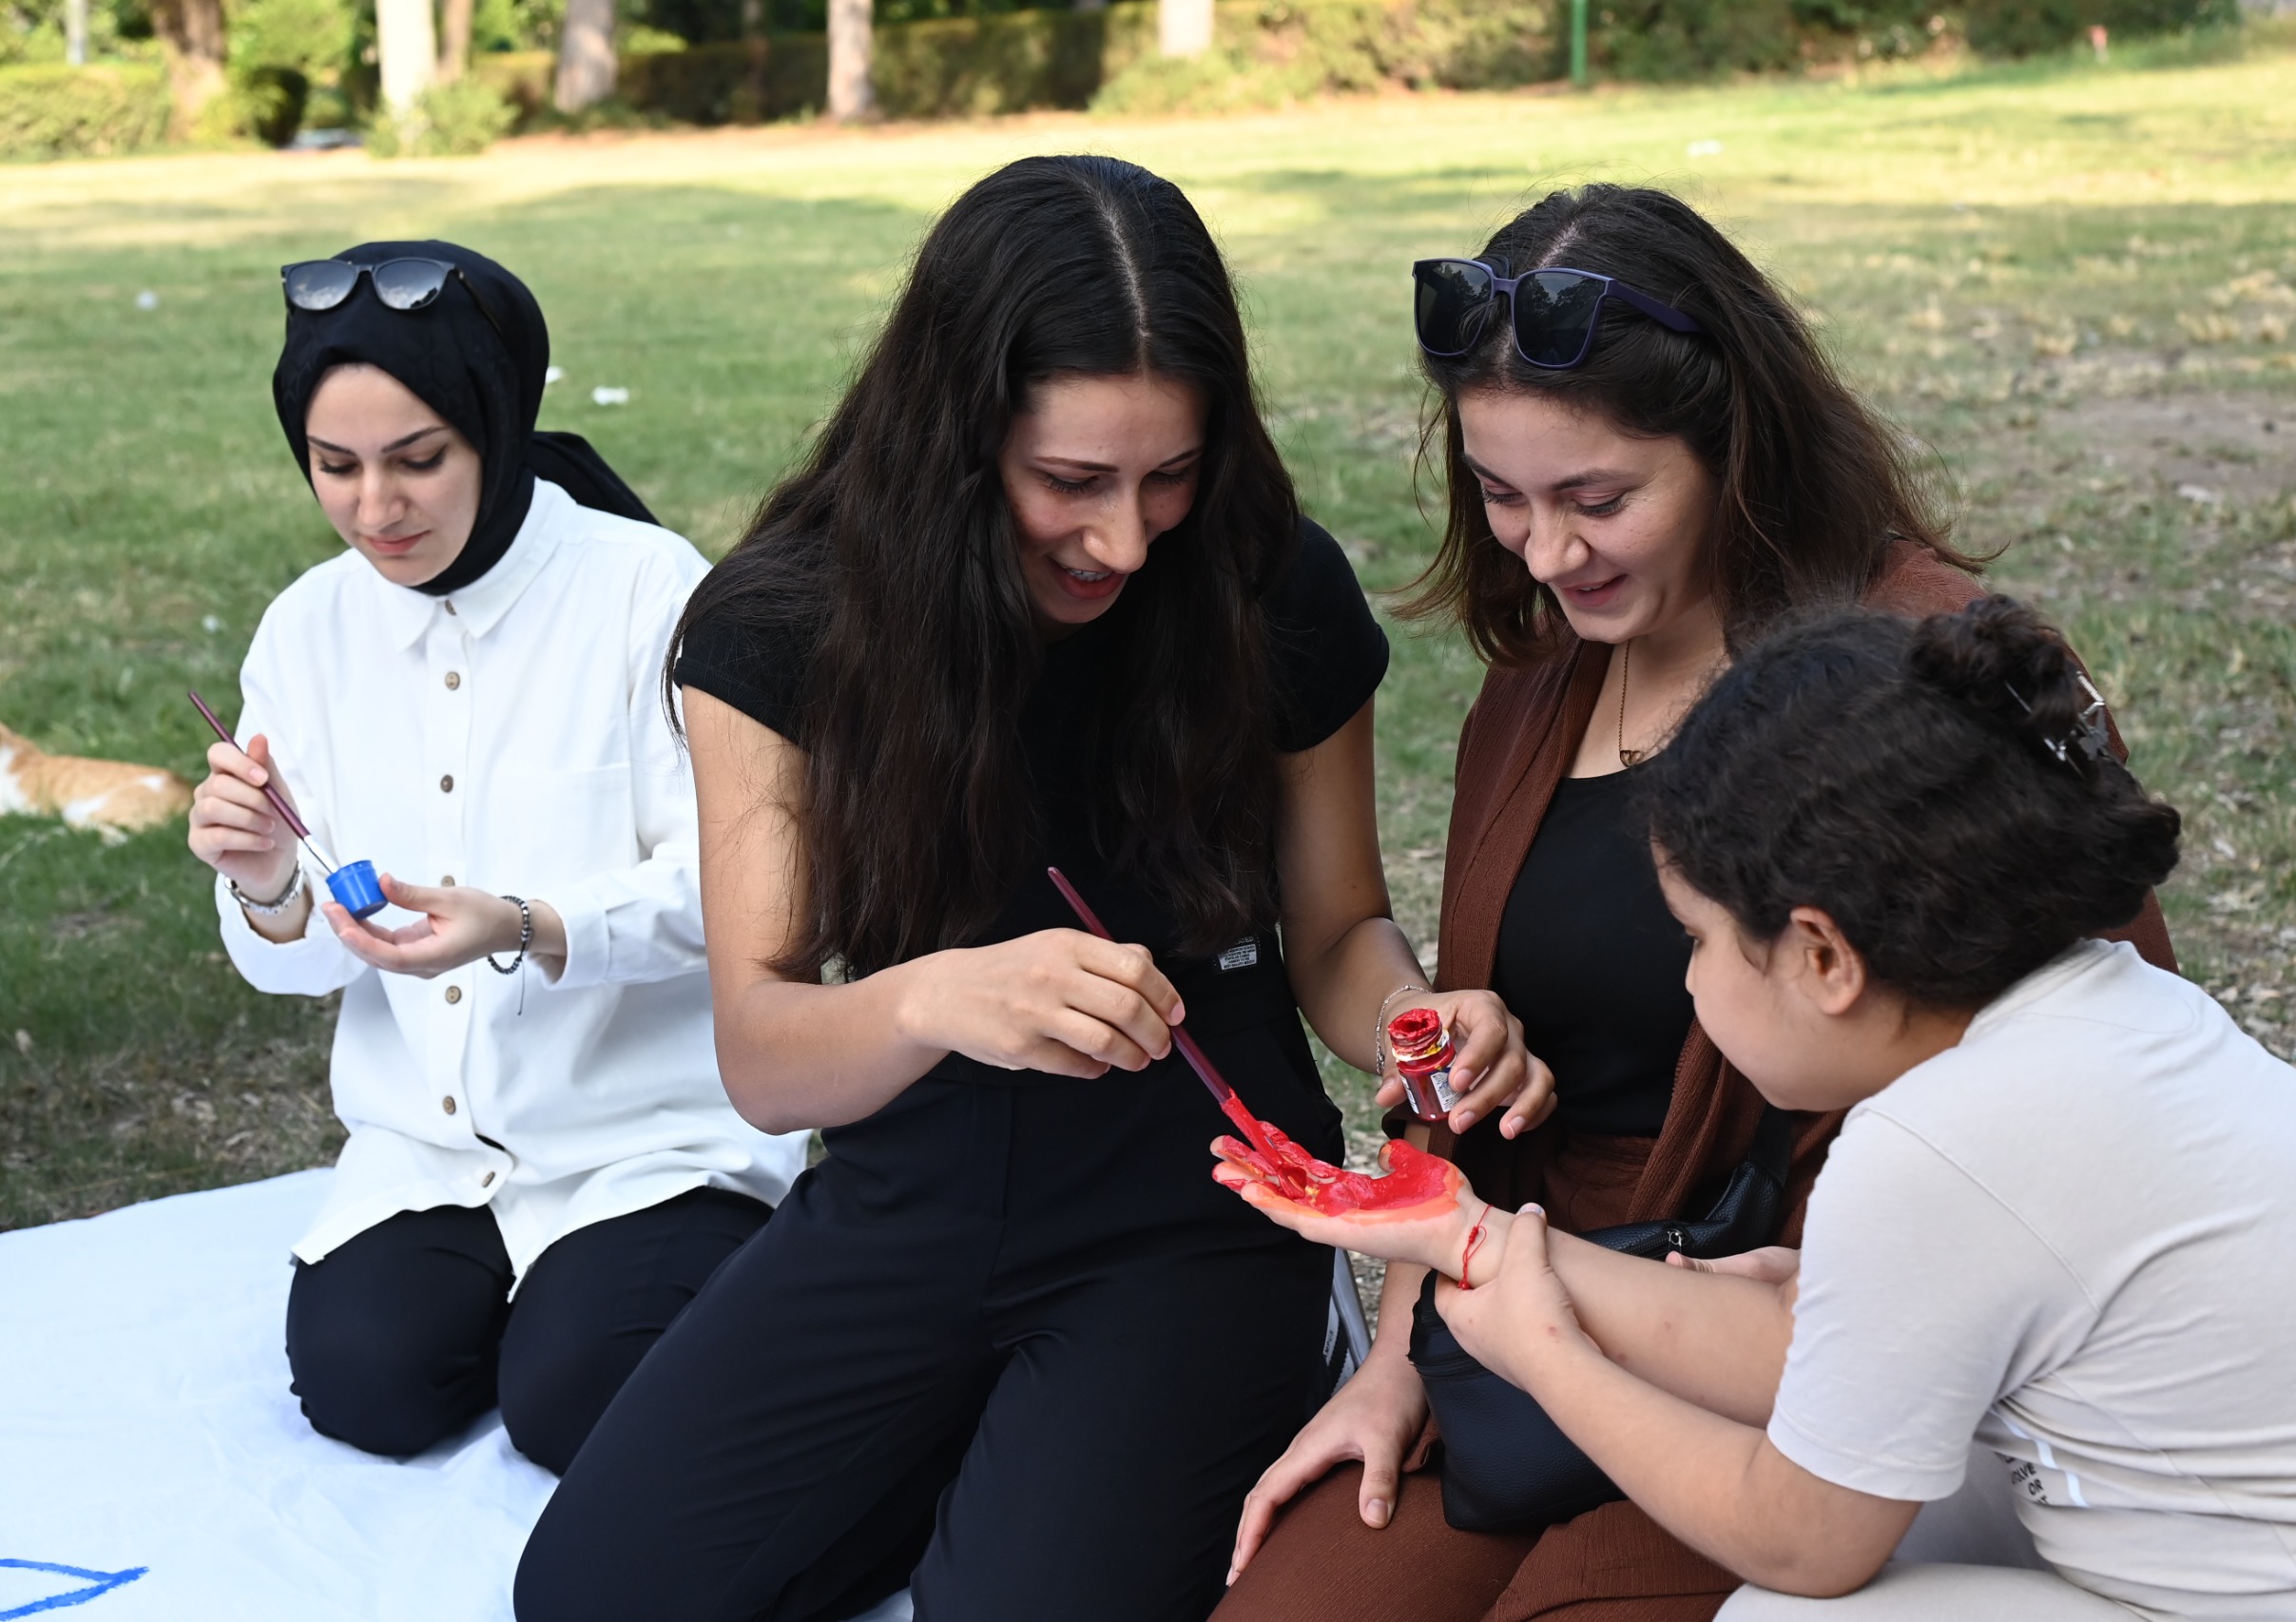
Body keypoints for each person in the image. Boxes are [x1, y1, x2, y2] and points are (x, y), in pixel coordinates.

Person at [511, 155, 1550, 1622]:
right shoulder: (782, 628)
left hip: (1196, 1194)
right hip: (914, 1188)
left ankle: (1095, 1430)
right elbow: (764, 1055)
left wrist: (1412, 1021)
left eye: (1170, 476)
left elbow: (1332, 930)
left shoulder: (1262, 588)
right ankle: (992, 1446)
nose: (1125, 539)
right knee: (598, 1598)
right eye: (1070, 481)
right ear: (958, 436)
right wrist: (948, 993)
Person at [1215, 185, 2175, 1621]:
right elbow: (1449, 1110)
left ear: (1738, 449)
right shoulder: (1543, 671)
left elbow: (2104, 1043)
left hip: (1810, 1341)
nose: (1545, 555)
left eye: (1601, 500)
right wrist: (1401, 1352)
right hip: (1514, 1305)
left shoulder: (1914, 672)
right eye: (1501, 496)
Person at [1219, 596, 2296, 1620]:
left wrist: (1545, 1350)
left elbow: (1805, 1536)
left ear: (1821, 957)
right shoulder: (2090, 1010)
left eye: (1695, 940)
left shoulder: (1934, 1152)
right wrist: (1472, 1242)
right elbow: (1815, 1345)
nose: (1689, 981)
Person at [185, 241, 801, 1475]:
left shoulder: (646, 592)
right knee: (370, 1385)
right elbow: (297, 965)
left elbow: (737, 895)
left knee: (577, 1399)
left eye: (419, 460)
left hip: (646, 1142)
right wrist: (263, 880)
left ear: (498, 425)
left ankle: (651, 1283)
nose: (376, 507)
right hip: (431, 1150)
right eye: (335, 466)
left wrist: (524, 920)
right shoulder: (306, 630)